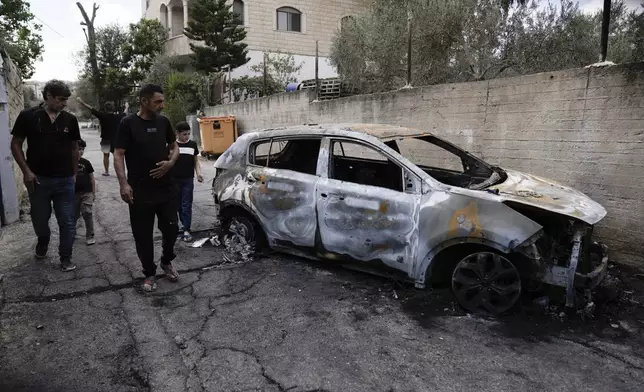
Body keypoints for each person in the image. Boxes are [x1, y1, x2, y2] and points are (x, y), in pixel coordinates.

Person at [114, 84, 181, 292]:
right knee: (143, 236)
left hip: (166, 188)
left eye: (162, 101)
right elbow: (118, 154)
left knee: (172, 228)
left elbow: (175, 146)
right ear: (144, 101)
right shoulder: (128, 123)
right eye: (157, 102)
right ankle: (149, 273)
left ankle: (167, 260)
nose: (162, 105)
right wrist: (124, 184)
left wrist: (170, 163)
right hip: (140, 191)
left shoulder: (163, 122)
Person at [10, 80, 81, 272]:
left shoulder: (69, 119)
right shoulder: (28, 116)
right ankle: (43, 240)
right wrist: (26, 171)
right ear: (48, 96)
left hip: (65, 180)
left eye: (66, 100)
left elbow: (75, 148)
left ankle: (65, 256)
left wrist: (74, 174)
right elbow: (15, 144)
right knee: (40, 219)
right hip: (38, 181)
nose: (64, 103)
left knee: (67, 220)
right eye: (60, 99)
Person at [75, 97, 128, 176]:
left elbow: (91, 108)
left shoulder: (102, 116)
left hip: (105, 139)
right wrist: (127, 106)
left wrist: (82, 102)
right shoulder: (118, 117)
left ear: (105, 109)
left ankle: (106, 172)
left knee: (106, 155)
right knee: (116, 156)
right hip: (115, 140)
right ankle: (119, 172)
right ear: (113, 109)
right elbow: (125, 113)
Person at [173, 122, 204, 242]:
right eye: (184, 134)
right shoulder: (172, 146)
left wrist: (199, 173)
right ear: (177, 133)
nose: (186, 136)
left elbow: (195, 161)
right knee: (177, 205)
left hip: (187, 180)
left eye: (188, 134)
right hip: (174, 180)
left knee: (186, 205)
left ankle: (186, 229)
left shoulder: (192, 145)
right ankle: (182, 224)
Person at [75, 139, 96, 246]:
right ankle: (71, 233)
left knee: (87, 213)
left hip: (86, 192)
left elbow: (92, 178)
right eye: (78, 149)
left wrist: (93, 192)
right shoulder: (68, 162)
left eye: (82, 149)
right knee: (73, 215)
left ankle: (90, 235)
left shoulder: (86, 163)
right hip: (73, 194)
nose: (81, 151)